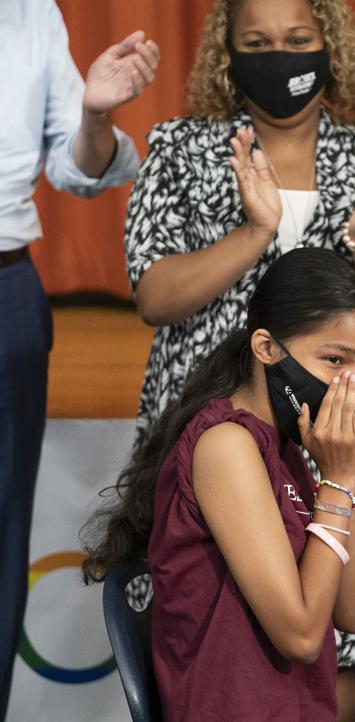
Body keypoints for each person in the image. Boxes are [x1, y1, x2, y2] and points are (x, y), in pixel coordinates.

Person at [122, 0, 355, 715]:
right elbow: (154, 294)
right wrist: (256, 232)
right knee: (231, 630)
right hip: (232, 421)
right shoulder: (181, 148)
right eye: (259, 42)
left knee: (349, 646)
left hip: (328, 431)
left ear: (330, 45)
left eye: (299, 39)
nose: (281, 56)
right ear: (228, 53)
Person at [84, 248, 355, 721]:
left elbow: (352, 611)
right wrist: (339, 482)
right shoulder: (226, 446)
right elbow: (302, 637)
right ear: (267, 348)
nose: (351, 385)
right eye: (334, 359)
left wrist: (336, 475)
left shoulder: (291, 452)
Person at [0, 1, 158, 714]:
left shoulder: (31, 14)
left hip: (6, 289)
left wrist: (95, 116)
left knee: (3, 535)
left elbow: (80, 167)